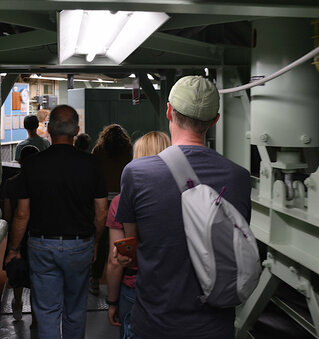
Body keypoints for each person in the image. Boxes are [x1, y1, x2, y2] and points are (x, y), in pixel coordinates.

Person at [115, 76, 252, 339]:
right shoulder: (239, 177)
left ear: (168, 111)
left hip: (156, 323)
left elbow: (132, 243)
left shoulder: (136, 173)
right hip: (214, 327)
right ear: (215, 120)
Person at [5, 105, 108, 339]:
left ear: (48, 129)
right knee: (75, 310)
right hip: (80, 244)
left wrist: (13, 249)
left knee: (47, 311)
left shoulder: (32, 164)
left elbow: (22, 214)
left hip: (42, 246)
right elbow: (101, 212)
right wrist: (94, 243)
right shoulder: (92, 164)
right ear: (77, 131)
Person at [106, 131, 171, 338]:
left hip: (135, 288)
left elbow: (115, 262)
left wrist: (112, 301)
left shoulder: (120, 202)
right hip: (175, 287)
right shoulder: (184, 195)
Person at [89, 124, 133, 296]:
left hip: (102, 199)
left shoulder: (99, 150)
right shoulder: (128, 150)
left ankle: (95, 278)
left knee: (99, 241)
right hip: (122, 200)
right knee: (121, 242)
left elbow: (93, 174)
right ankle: (121, 280)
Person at [2, 145, 39, 322]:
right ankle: (35, 317)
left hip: (18, 235)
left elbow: (8, 215)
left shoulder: (11, 183)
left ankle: (17, 302)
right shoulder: (42, 184)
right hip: (38, 233)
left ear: (20, 161)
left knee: (16, 271)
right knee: (36, 275)